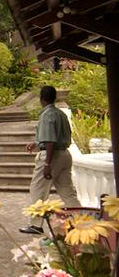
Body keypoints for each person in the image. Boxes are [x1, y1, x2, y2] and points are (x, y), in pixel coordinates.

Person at [19, 85, 81, 234]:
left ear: (41, 99)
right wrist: (37, 143)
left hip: (51, 156)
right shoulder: (61, 114)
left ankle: (36, 224)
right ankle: (81, 219)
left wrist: (47, 163)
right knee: (68, 192)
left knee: (38, 190)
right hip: (65, 155)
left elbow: (51, 141)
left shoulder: (47, 115)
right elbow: (57, 137)